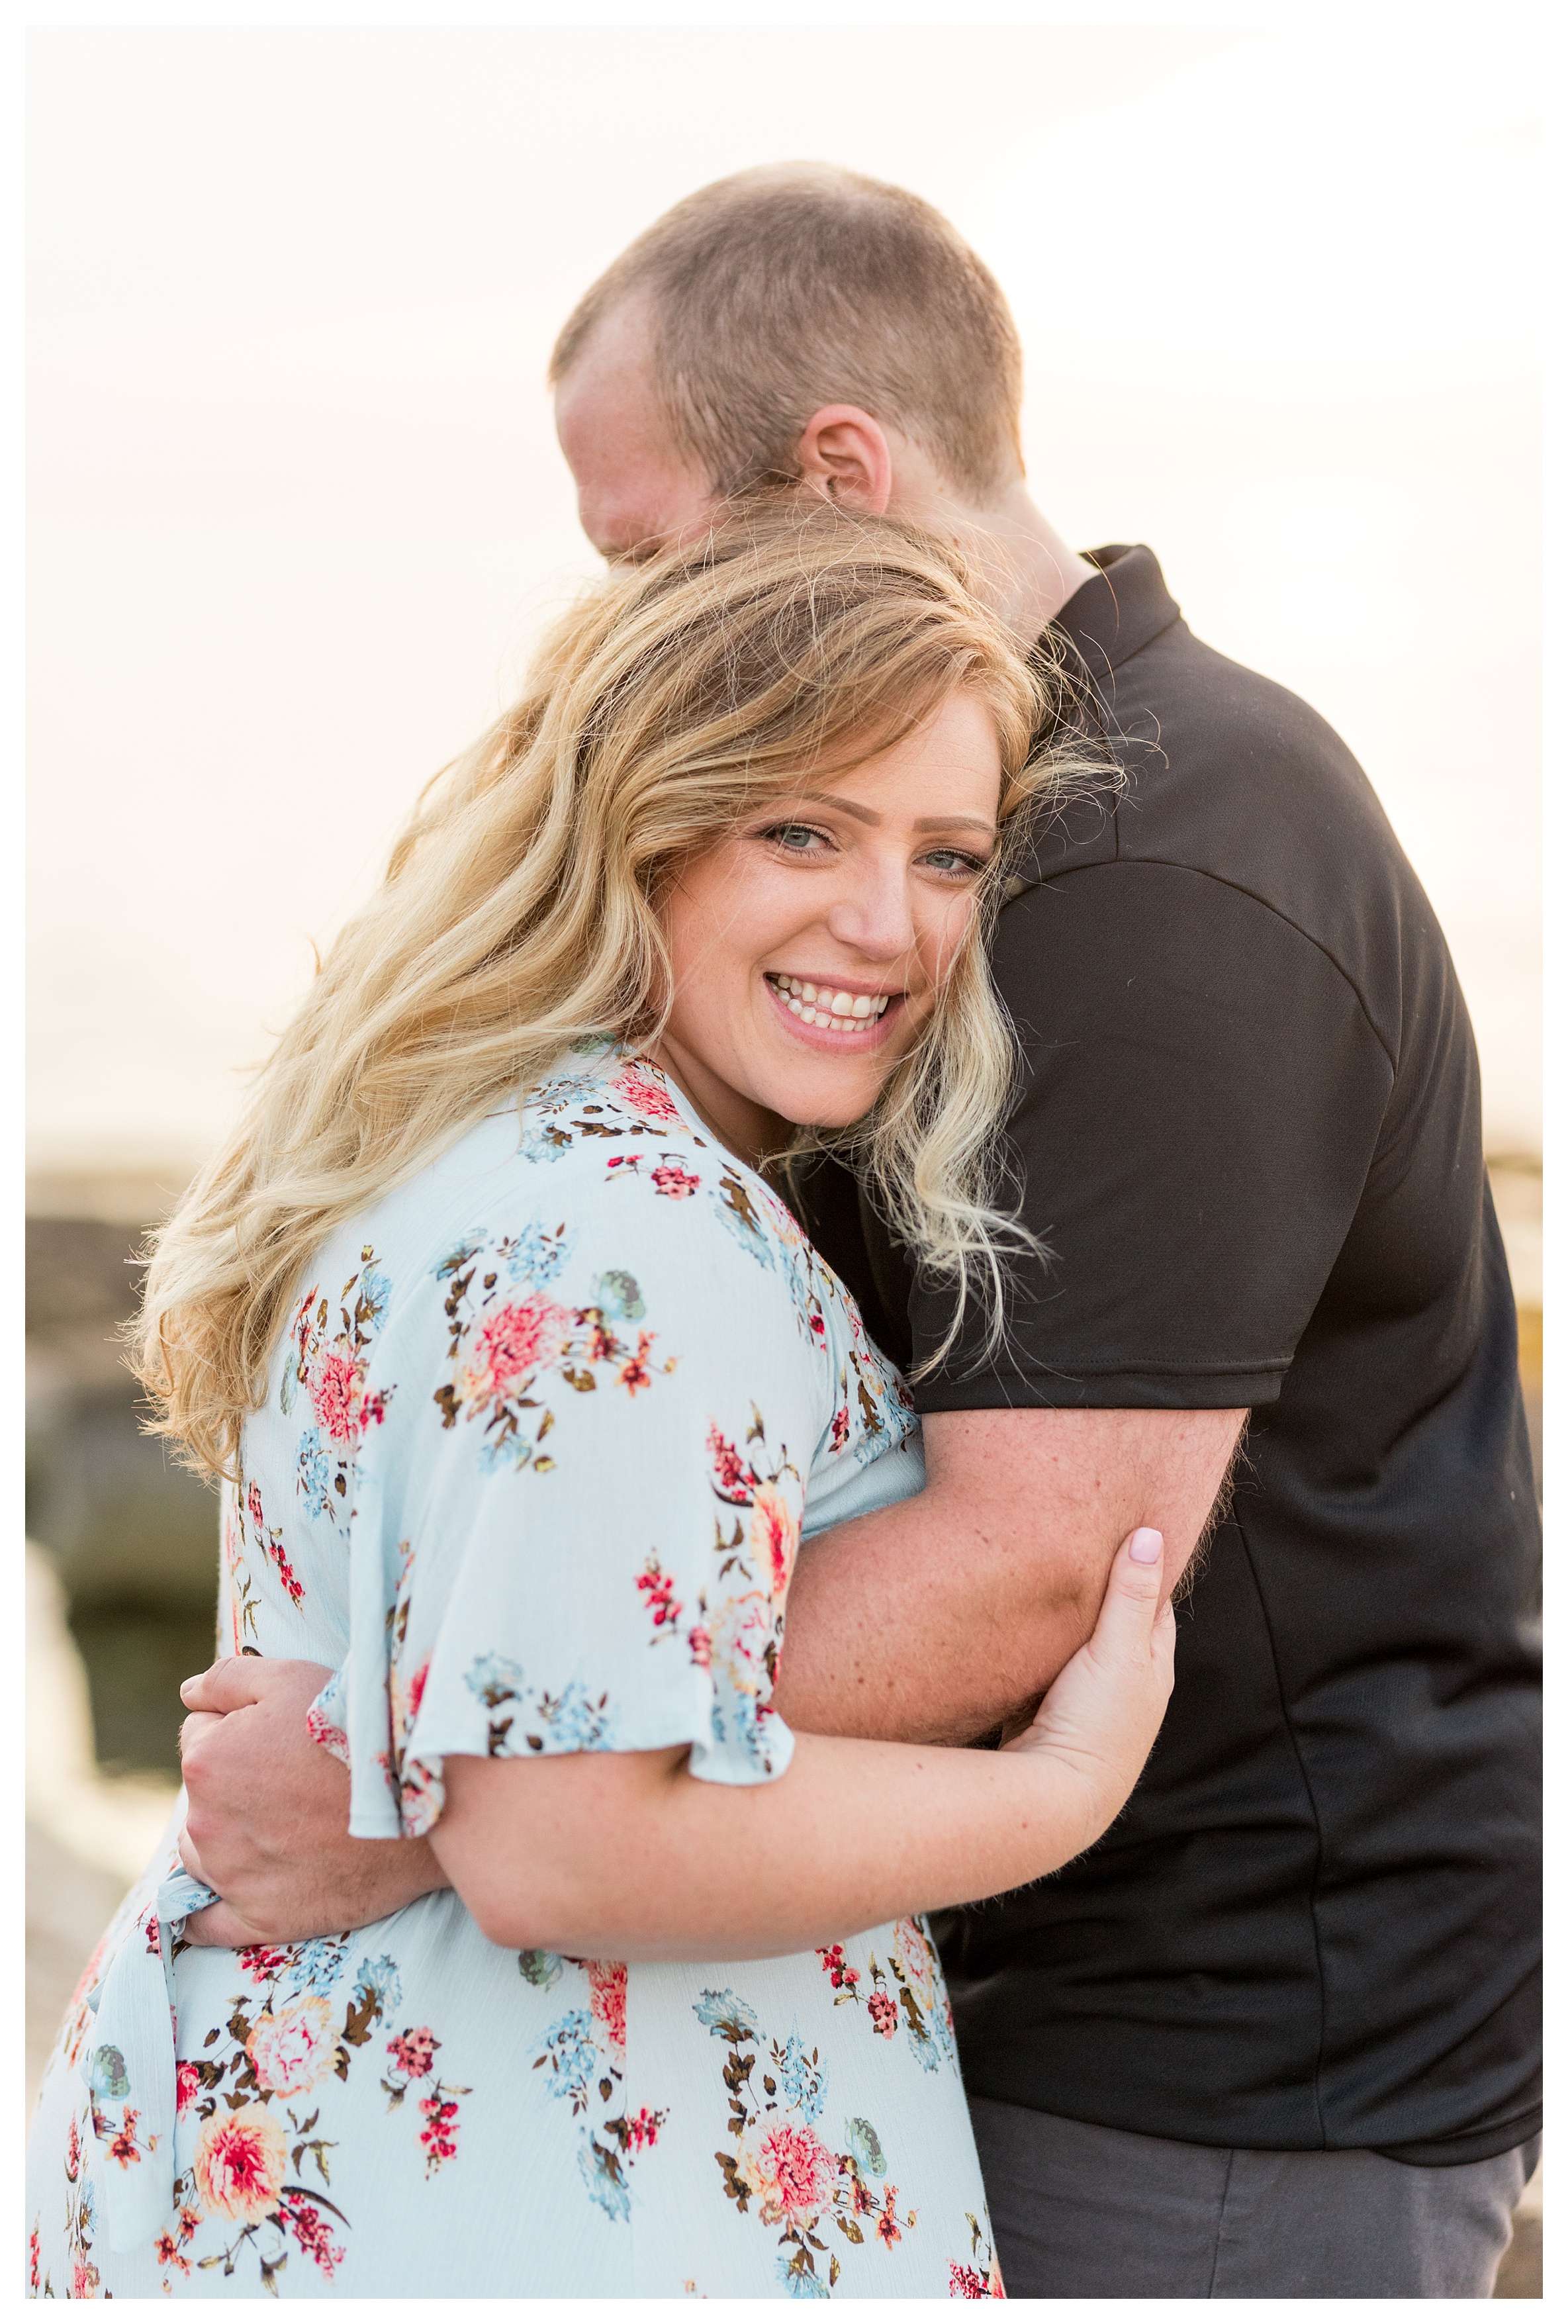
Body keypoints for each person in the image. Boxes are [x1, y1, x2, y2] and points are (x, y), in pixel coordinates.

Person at [169, 167, 1542, 2298]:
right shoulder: (941, 857)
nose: (625, 621)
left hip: (1201, 2075)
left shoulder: (1166, 863)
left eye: (643, 549)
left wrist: (429, 1784)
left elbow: (1039, 1566)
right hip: (928, 1996)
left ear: (834, 476)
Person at [26, 510, 1182, 2300]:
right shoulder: (636, 1233)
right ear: (641, 830)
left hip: (341, 2149)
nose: (885, 927)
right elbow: (562, 1840)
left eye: (947, 856)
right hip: (555, 2187)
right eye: (800, 828)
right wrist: (1061, 1788)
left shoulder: (457, 1141)